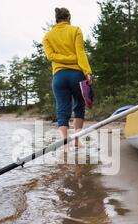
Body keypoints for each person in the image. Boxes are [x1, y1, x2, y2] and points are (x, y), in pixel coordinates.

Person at [43, 7, 92, 151]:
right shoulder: (76, 30)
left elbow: (50, 56)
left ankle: (65, 144)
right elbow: (80, 53)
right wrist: (87, 71)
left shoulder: (47, 36)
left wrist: (63, 60)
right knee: (79, 105)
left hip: (59, 76)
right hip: (76, 74)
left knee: (62, 109)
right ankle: (77, 140)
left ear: (56, 19)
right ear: (69, 18)